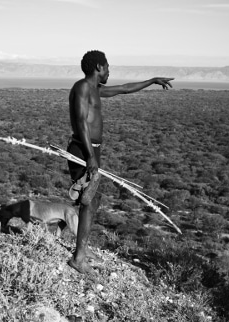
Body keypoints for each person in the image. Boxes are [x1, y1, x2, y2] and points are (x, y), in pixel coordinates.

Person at [66, 50, 174, 274]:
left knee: (93, 200)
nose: (109, 71)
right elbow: (81, 123)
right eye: (107, 66)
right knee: (89, 199)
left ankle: (82, 250)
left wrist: (152, 81)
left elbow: (125, 88)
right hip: (83, 150)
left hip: (92, 151)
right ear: (98, 67)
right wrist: (89, 157)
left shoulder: (95, 88)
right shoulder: (82, 87)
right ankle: (78, 258)